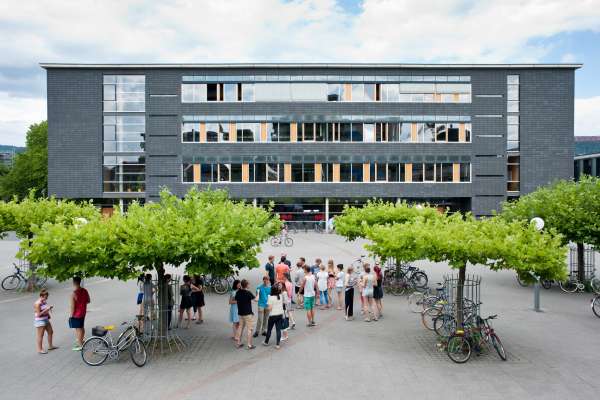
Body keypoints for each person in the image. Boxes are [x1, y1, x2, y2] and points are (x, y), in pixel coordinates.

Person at [69, 276, 90, 351]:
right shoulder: (85, 290)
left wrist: (71, 316)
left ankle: (80, 345)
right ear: (80, 282)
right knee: (82, 327)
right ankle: (82, 340)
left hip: (76, 314)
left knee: (78, 329)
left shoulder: (73, 293)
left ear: (74, 282)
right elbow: (88, 301)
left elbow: (72, 306)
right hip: (83, 312)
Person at [234, 279, 256, 349]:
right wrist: (258, 293)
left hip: (240, 313)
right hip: (248, 314)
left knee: (240, 327)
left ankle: (238, 343)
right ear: (246, 285)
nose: (249, 285)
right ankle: (249, 345)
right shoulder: (248, 292)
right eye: (248, 284)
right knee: (250, 329)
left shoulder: (238, 292)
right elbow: (256, 299)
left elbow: (236, 299)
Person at [34, 289, 57, 354]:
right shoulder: (37, 303)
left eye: (47, 297)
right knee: (40, 335)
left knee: (50, 332)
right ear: (41, 296)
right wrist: (46, 309)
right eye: (45, 297)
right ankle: (40, 349)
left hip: (46, 319)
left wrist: (49, 311)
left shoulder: (44, 302)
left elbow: (45, 309)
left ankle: (50, 346)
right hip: (40, 321)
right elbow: (38, 314)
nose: (46, 299)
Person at [263, 285, 284, 349]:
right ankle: (277, 344)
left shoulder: (270, 297)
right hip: (280, 314)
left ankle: (266, 342)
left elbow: (269, 308)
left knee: (269, 329)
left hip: (273, 316)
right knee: (278, 330)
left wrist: (266, 307)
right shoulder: (280, 296)